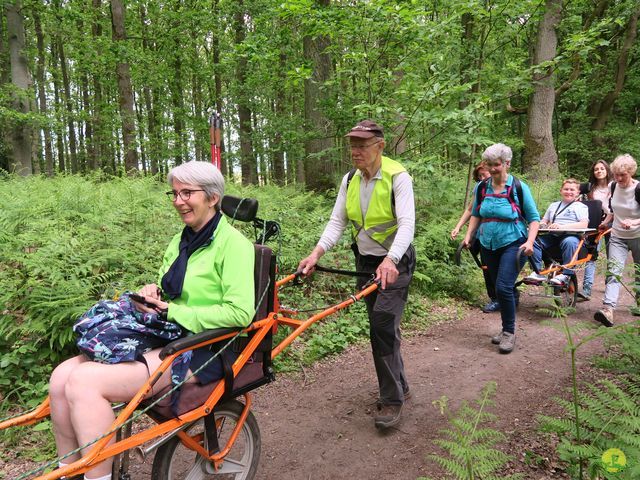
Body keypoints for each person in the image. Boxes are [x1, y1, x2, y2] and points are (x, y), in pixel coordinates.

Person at [48, 162, 255, 480]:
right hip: (168, 334)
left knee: (85, 382)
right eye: (174, 193)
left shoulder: (234, 246)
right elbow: (174, 290)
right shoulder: (182, 240)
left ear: (213, 197)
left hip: (206, 347)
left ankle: (99, 478)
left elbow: (240, 314)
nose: (178, 200)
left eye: (187, 193)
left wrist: (173, 312)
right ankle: (71, 471)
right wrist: (154, 293)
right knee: (62, 376)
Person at [298, 120, 415, 430]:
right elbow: (337, 222)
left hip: (396, 262)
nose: (355, 151)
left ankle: (391, 400)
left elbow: (407, 224)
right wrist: (316, 253)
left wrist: (391, 259)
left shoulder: (398, 177)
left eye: (362, 145)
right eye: (352, 144)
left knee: (381, 324)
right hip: (365, 262)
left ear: (380, 145)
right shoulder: (350, 179)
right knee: (383, 326)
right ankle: (400, 384)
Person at [462, 143, 540, 354]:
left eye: (496, 164)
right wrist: (469, 235)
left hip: (514, 243)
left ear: (507, 163)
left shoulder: (518, 187)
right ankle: (506, 328)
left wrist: (530, 242)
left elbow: (534, 219)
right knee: (498, 288)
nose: (492, 168)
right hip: (488, 243)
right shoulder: (482, 187)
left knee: (504, 287)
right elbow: (477, 213)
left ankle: (509, 332)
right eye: (489, 164)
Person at [594, 154, 640, 327]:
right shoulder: (613, 186)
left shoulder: (638, 188)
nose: (619, 178)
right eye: (616, 175)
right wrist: (605, 223)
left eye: (623, 175)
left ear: (631, 172)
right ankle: (608, 309)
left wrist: (634, 221)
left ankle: (639, 304)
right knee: (613, 271)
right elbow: (613, 210)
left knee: (639, 272)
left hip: (638, 236)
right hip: (618, 236)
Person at [451, 162, 500, 313]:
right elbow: (471, 209)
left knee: (500, 265)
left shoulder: (504, 186)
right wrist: (458, 227)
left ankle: (506, 294)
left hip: (501, 233)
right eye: (479, 176)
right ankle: (495, 297)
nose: (482, 178)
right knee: (486, 264)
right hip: (481, 232)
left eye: (484, 174)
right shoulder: (480, 188)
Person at [526, 179, 589, 286]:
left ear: (577, 193)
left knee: (570, 242)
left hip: (571, 236)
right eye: (566, 189)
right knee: (533, 241)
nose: (568, 192)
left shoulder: (581, 207)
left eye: (572, 190)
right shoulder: (553, 206)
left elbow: (583, 224)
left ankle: (566, 274)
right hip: (552, 236)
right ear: (561, 191)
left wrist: (561, 226)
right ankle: (537, 272)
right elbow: (544, 221)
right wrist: (541, 225)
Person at [578, 160, 613, 300]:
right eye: (596, 169)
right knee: (591, 254)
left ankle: (610, 284)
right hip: (595, 223)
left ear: (607, 170)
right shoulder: (589, 188)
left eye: (602, 169)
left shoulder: (614, 186)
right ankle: (587, 289)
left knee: (613, 256)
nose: (599, 171)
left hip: (612, 223)